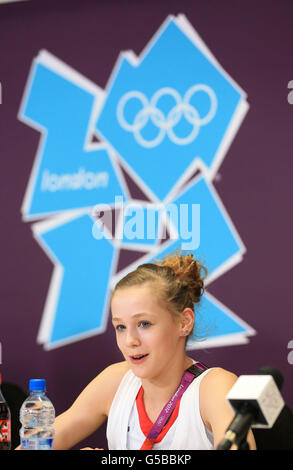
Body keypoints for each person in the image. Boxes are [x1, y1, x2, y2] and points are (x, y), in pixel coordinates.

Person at [41, 252, 256, 450]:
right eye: (120, 327)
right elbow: (36, 445)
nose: (130, 341)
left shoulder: (215, 387)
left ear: (184, 322)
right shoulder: (115, 380)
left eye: (144, 324)